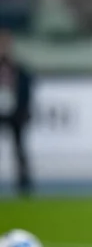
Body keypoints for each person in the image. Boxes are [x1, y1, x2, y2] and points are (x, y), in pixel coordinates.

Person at [0, 28, 33, 196]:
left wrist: (24, 110)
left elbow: (26, 86)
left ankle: (24, 183)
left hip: (15, 112)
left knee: (19, 148)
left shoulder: (17, 68)